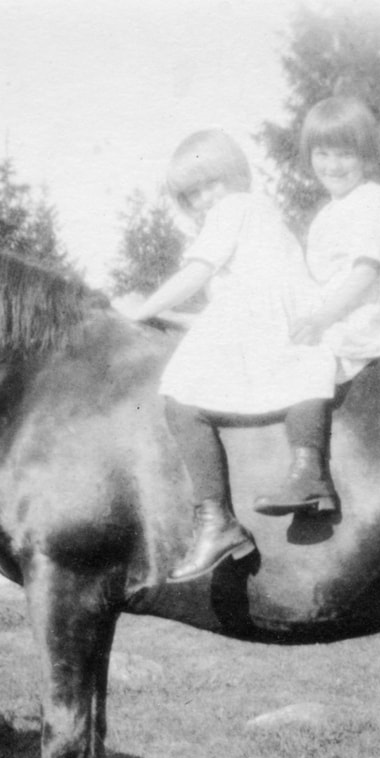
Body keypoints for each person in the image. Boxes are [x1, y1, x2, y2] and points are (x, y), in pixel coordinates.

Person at [115, 129, 337, 581]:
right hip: (278, 320)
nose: (203, 199)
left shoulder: (234, 208)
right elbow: (224, 312)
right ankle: (305, 468)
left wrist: (142, 309)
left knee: (179, 396)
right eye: (192, 194)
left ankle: (215, 520)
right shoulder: (261, 216)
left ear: (236, 177)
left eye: (210, 183)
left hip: (264, 321)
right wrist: (171, 317)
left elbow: (197, 273)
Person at [252, 95, 380, 516]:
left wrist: (320, 319)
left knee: (304, 358)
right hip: (340, 312)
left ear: (366, 156)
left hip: (368, 314)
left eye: (344, 154)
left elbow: (364, 273)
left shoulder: (371, 199)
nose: (332, 165)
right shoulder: (329, 213)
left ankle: (309, 470)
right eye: (322, 154)